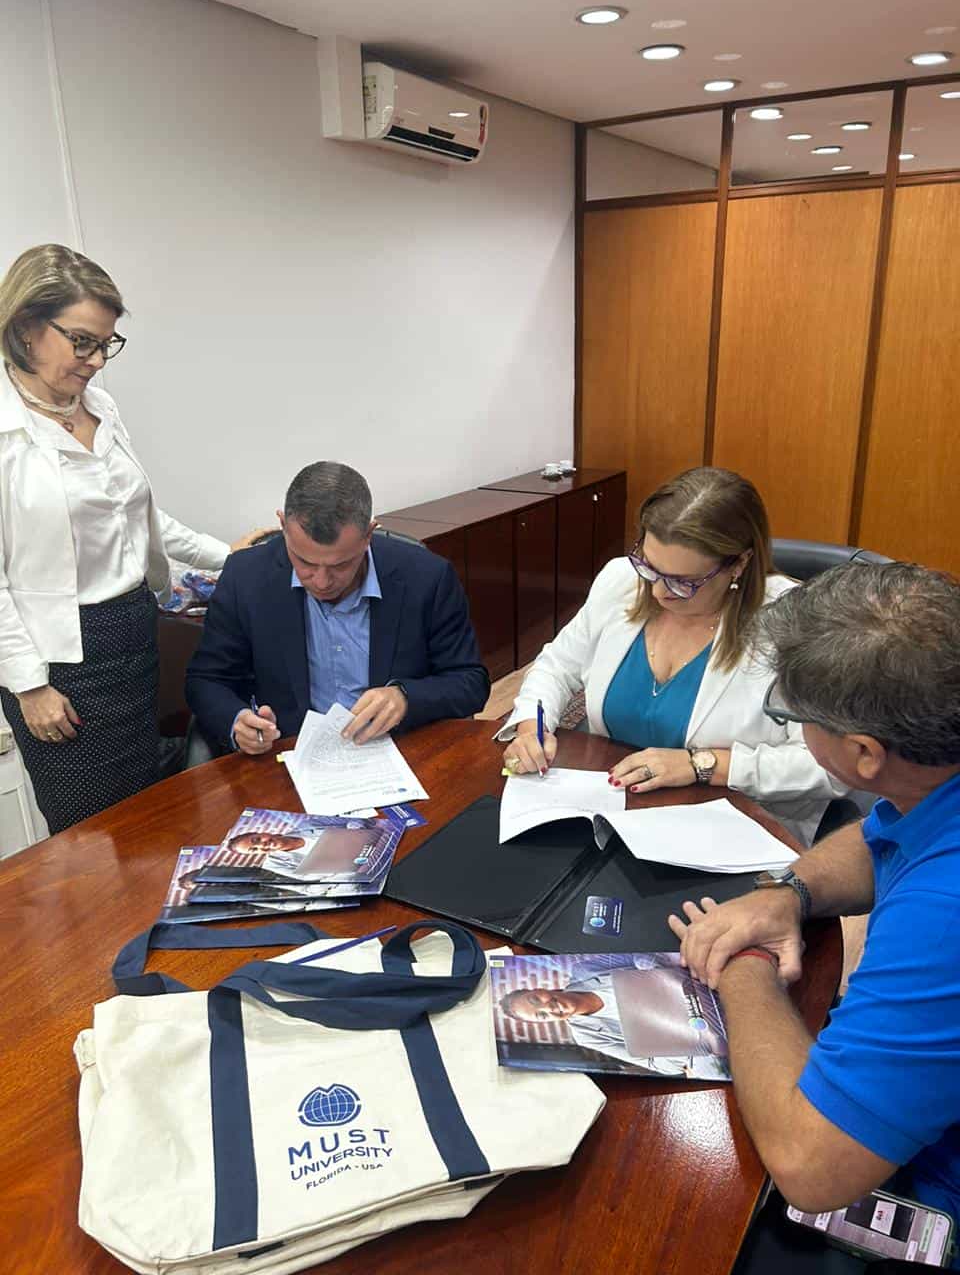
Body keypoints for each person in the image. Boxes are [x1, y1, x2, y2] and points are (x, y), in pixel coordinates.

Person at [669, 562, 960, 1273]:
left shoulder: (942, 912)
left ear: (863, 753)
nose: (796, 729)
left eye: (800, 719)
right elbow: (882, 836)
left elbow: (812, 1166)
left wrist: (742, 962)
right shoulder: (933, 782)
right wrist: (788, 894)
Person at [0, 244, 264, 835]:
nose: (96, 361)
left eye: (106, 344)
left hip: (132, 635)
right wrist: (29, 686)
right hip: (61, 664)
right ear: (25, 328)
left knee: (148, 817)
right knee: (90, 834)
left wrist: (226, 558)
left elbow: (135, 515)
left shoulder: (99, 407)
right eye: (82, 342)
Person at [499, 466, 846, 846]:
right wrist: (532, 726)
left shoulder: (796, 626)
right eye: (649, 567)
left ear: (739, 563)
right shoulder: (621, 579)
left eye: (684, 582)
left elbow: (830, 766)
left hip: (734, 828)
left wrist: (704, 765)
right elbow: (558, 665)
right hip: (614, 809)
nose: (658, 592)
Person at [185, 461, 490, 753]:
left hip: (400, 751)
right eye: (304, 562)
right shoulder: (246, 577)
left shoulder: (426, 577)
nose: (321, 581)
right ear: (283, 526)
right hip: (290, 755)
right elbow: (206, 680)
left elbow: (470, 682)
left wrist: (405, 697)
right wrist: (237, 720)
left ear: (369, 534)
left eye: (340, 565)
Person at [500, 952, 719, 1077]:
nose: (548, 1008)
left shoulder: (584, 970)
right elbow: (656, 1065)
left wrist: (655, 977)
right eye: (541, 1016)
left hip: (699, 983)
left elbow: (639, 956)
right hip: (704, 1033)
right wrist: (672, 1041)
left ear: (539, 988)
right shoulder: (586, 1036)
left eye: (536, 1000)